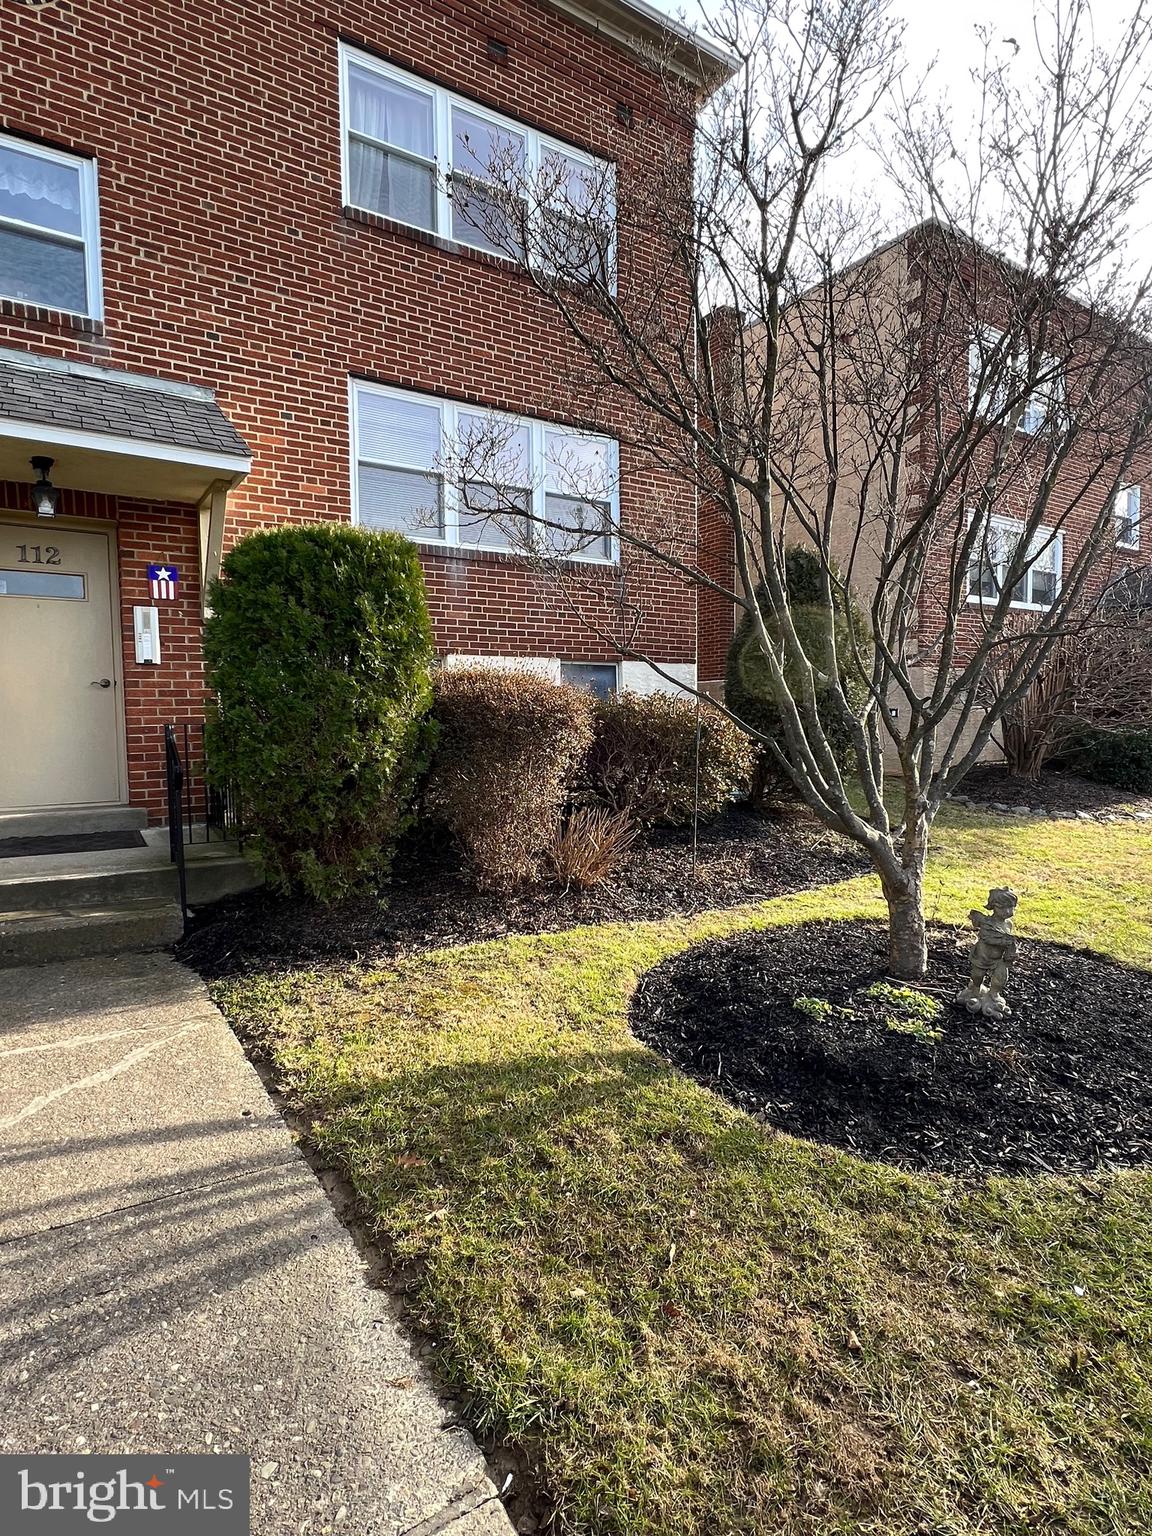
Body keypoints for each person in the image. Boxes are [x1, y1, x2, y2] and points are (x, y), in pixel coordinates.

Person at [956, 887, 1018, 1019]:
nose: (1008, 912)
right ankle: (975, 989)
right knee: (977, 975)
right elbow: (987, 938)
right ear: (993, 906)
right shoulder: (987, 924)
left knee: (1001, 977)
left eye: (1011, 907)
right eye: (1003, 908)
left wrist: (1011, 950)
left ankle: (994, 993)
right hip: (982, 957)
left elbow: (1008, 939)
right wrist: (1005, 941)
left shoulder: (1008, 924)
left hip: (999, 959)